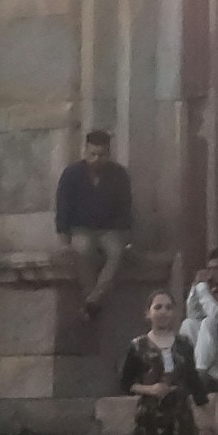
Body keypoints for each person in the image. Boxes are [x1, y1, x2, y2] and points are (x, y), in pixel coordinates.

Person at [51, 124, 137, 321]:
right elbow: (63, 206)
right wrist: (63, 239)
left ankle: (92, 301)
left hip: (110, 230)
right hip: (81, 229)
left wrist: (128, 238)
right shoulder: (72, 174)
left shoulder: (119, 175)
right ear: (85, 151)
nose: (97, 159)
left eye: (102, 154)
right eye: (93, 154)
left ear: (109, 153)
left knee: (117, 253)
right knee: (82, 250)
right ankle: (93, 300)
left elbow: (125, 208)